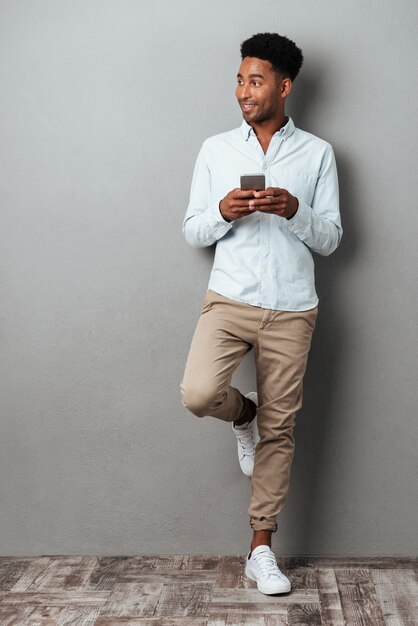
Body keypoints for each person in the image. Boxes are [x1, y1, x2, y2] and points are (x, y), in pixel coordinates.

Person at [180, 32, 342, 596]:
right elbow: (192, 228)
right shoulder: (216, 149)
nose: (242, 91)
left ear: (283, 85)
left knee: (281, 430)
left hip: (293, 308)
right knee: (199, 393)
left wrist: (296, 210)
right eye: (240, 79)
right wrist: (223, 211)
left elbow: (332, 240)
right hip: (229, 299)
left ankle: (261, 550)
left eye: (254, 80)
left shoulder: (317, 154)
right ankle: (242, 414)